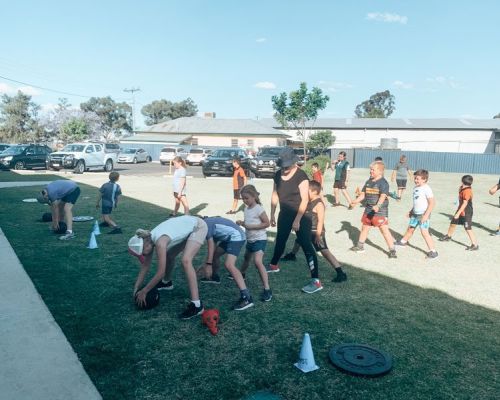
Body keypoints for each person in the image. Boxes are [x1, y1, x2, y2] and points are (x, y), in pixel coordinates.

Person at [128, 215, 208, 319]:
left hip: (198, 227)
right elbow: (145, 266)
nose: (143, 256)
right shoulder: (148, 240)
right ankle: (167, 283)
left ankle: (197, 305)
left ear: (145, 245)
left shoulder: (160, 242)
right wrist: (136, 288)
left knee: (186, 261)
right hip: (188, 226)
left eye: (142, 253)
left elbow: (160, 272)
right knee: (169, 255)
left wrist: (144, 291)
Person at [268, 147, 322, 294]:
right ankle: (273, 265)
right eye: (282, 165)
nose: (284, 168)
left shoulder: (301, 176)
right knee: (280, 240)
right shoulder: (278, 175)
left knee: (306, 244)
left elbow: (305, 200)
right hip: (284, 213)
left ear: (293, 162)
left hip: (302, 215)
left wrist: (297, 220)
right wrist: (272, 213)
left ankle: (316, 281)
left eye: (287, 165)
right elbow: (274, 194)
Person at [281, 181, 347, 282]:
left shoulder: (319, 204)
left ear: (314, 191)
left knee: (325, 252)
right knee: (298, 241)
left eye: (307, 191)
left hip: (316, 231)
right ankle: (292, 255)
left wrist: (318, 235)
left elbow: (321, 221)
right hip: (307, 229)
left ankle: (340, 272)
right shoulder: (308, 201)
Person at [199, 216, 254, 310]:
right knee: (215, 255)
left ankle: (246, 297)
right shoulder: (208, 223)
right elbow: (212, 246)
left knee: (229, 264)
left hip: (237, 236)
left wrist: (208, 265)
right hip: (229, 237)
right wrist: (206, 263)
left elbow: (210, 244)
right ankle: (214, 277)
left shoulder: (205, 225)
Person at [349, 161, 397, 258]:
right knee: (365, 228)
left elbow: (383, 196)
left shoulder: (383, 183)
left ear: (380, 171)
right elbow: (363, 194)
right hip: (369, 209)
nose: (370, 171)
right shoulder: (369, 181)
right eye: (370, 169)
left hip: (380, 211)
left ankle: (392, 250)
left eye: (373, 170)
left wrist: (378, 205)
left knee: (384, 230)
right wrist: (355, 201)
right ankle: (360, 246)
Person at [235, 185, 272, 302]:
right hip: (250, 240)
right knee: (246, 258)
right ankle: (242, 274)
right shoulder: (246, 209)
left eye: (247, 198)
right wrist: (242, 223)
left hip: (260, 239)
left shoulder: (259, 209)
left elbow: (267, 223)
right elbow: (248, 222)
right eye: (243, 199)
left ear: (254, 196)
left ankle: (267, 289)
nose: (245, 201)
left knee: (257, 261)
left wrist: (251, 226)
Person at [394, 170, 438, 259]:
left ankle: (433, 252)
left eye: (418, 179)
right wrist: (411, 211)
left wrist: (426, 215)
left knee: (425, 233)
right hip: (415, 214)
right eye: (415, 178)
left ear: (424, 179)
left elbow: (432, 203)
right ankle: (403, 242)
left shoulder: (426, 188)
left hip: (423, 215)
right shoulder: (415, 188)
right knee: (410, 229)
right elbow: (416, 202)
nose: (415, 180)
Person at [439, 175, 478, 250]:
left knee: (467, 228)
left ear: (462, 181)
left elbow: (465, 203)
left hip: (467, 212)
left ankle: (475, 245)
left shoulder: (467, 191)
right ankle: (448, 236)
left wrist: (458, 213)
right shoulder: (462, 188)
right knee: (453, 222)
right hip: (460, 209)